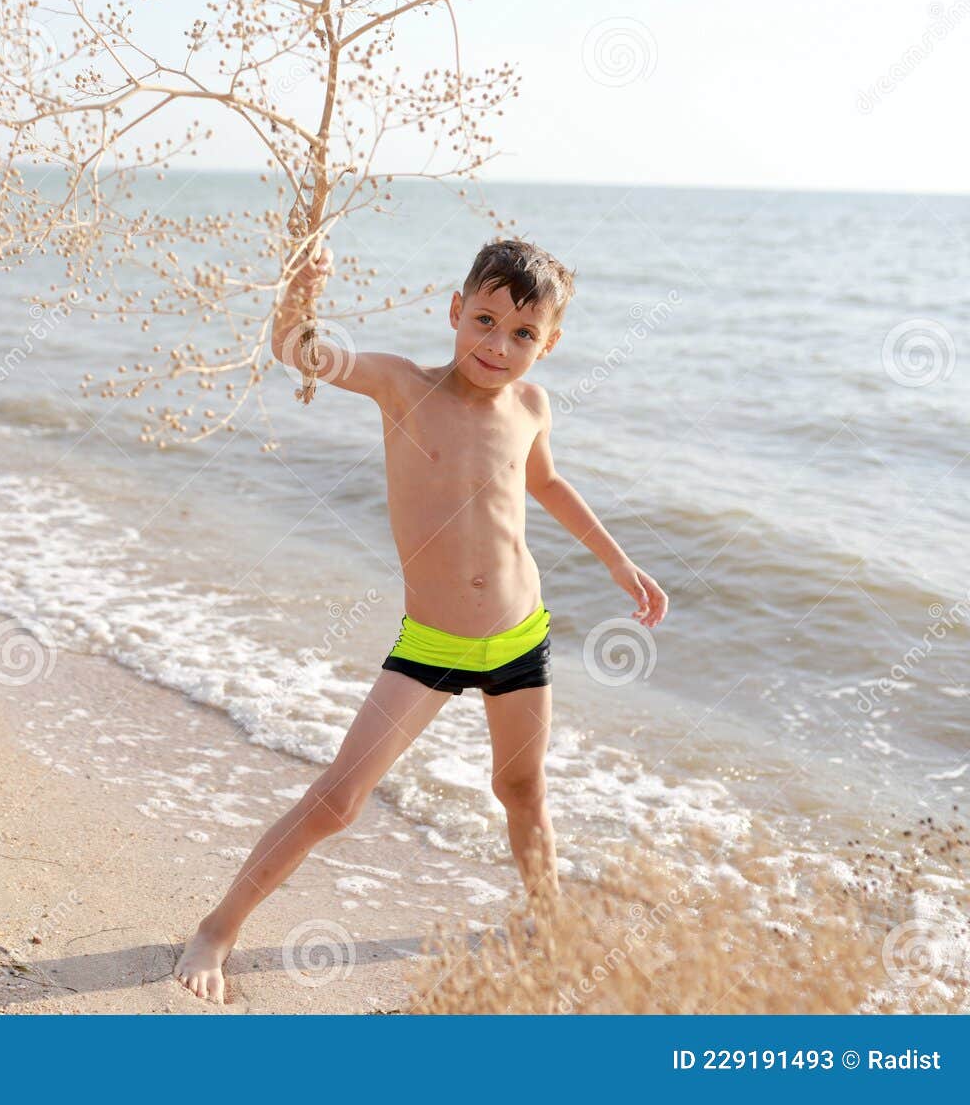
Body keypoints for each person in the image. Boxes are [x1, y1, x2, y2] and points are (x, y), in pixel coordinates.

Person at [173, 237, 668, 1004]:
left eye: (523, 333)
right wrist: (302, 290)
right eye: (484, 320)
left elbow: (548, 481)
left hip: (519, 634)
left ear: (550, 343)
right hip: (432, 642)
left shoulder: (532, 406)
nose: (497, 345)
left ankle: (547, 920)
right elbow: (294, 348)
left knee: (522, 788)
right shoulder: (402, 386)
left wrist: (617, 560)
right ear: (453, 311)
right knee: (338, 800)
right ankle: (218, 926)